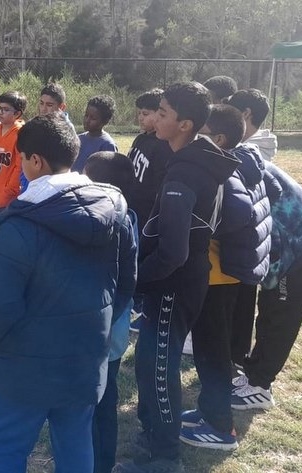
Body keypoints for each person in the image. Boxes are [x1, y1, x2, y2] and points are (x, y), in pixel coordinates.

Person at [0, 114, 137, 472]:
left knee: (6, 451)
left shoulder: (19, 226)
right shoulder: (117, 210)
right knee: (76, 444)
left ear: (35, 161)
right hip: (85, 357)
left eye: (21, 158)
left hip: (23, 367)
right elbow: (123, 286)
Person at [114, 82, 239, 473]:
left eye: (163, 113)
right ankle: (152, 436)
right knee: (150, 365)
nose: (156, 120)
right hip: (176, 280)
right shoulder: (193, 158)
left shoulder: (187, 170)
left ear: (184, 124)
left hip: (174, 284)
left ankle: (163, 459)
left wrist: (133, 283)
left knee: (159, 370)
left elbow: (173, 252)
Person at [180, 104, 273, 451]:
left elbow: (239, 214)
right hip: (226, 274)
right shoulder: (239, 163)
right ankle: (209, 409)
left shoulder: (224, 171)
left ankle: (221, 429)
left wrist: (203, 228)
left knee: (212, 353)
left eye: (199, 133)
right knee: (211, 350)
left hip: (218, 276)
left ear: (218, 139)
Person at [83, 151, 138, 473]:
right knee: (107, 398)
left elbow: (122, 284)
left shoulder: (102, 228)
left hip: (99, 331)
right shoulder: (131, 217)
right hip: (114, 330)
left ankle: (90, 463)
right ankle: (102, 463)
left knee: (93, 401)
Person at [231, 161, 302, 410]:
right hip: (283, 238)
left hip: (293, 244)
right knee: (268, 307)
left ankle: (260, 387)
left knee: (281, 315)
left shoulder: (237, 166)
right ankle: (253, 374)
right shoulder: (242, 158)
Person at [225, 88, 279, 371]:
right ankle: (236, 357)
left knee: (253, 305)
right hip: (258, 239)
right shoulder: (253, 149)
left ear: (245, 115)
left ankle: (239, 363)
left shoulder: (248, 152)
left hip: (264, 242)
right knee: (245, 301)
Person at [127, 88, 173, 333]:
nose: (141, 118)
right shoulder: (142, 139)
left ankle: (142, 304)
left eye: (146, 114)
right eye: (139, 113)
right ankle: (134, 298)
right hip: (133, 210)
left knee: (144, 259)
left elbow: (160, 188)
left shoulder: (164, 148)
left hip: (148, 216)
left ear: (160, 114)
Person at [20, 82, 77, 192]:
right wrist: (24, 184)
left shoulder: (66, 130)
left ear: (62, 107)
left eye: (49, 105)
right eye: (41, 103)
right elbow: (26, 156)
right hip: (30, 185)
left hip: (52, 189)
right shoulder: (36, 124)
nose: (43, 109)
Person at [226, 88, 278, 162]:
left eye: (229, 112)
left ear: (245, 114)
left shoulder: (247, 156)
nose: (225, 118)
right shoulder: (262, 145)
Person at [71, 95, 118, 173]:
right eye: (86, 115)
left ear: (105, 121)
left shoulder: (107, 145)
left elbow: (108, 174)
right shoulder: (78, 139)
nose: (87, 120)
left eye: (93, 118)